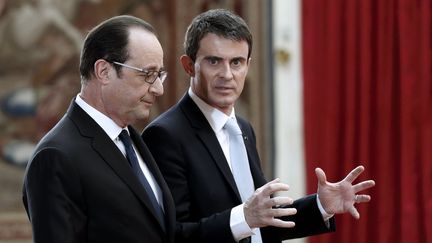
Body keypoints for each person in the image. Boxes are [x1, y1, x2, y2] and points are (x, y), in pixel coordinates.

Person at [142, 9, 375, 243]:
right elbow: (175, 236)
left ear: (248, 66)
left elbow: (264, 223)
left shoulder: (243, 129)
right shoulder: (164, 135)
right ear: (189, 65)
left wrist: (320, 206)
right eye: (214, 61)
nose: (227, 74)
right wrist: (243, 217)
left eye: (236, 62)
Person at [22, 15, 175, 243]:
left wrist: (242, 218)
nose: (159, 89)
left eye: (159, 74)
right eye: (147, 74)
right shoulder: (55, 156)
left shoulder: (131, 138)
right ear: (104, 71)